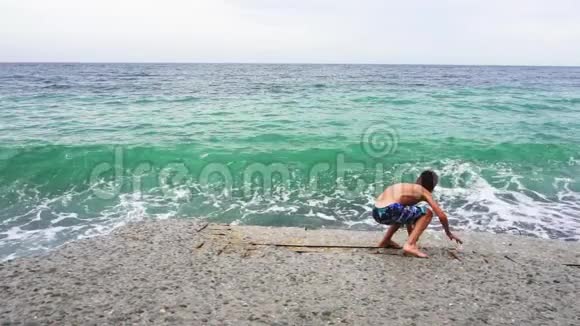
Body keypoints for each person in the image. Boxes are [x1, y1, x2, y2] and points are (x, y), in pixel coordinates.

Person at [372, 170, 462, 258]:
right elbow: (441, 215)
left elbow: (406, 216)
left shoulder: (407, 187)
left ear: (419, 179)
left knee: (402, 213)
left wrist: (412, 235)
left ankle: (385, 241)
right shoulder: (424, 191)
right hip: (390, 210)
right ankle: (409, 245)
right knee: (428, 213)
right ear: (432, 186)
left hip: (376, 212)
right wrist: (448, 233)